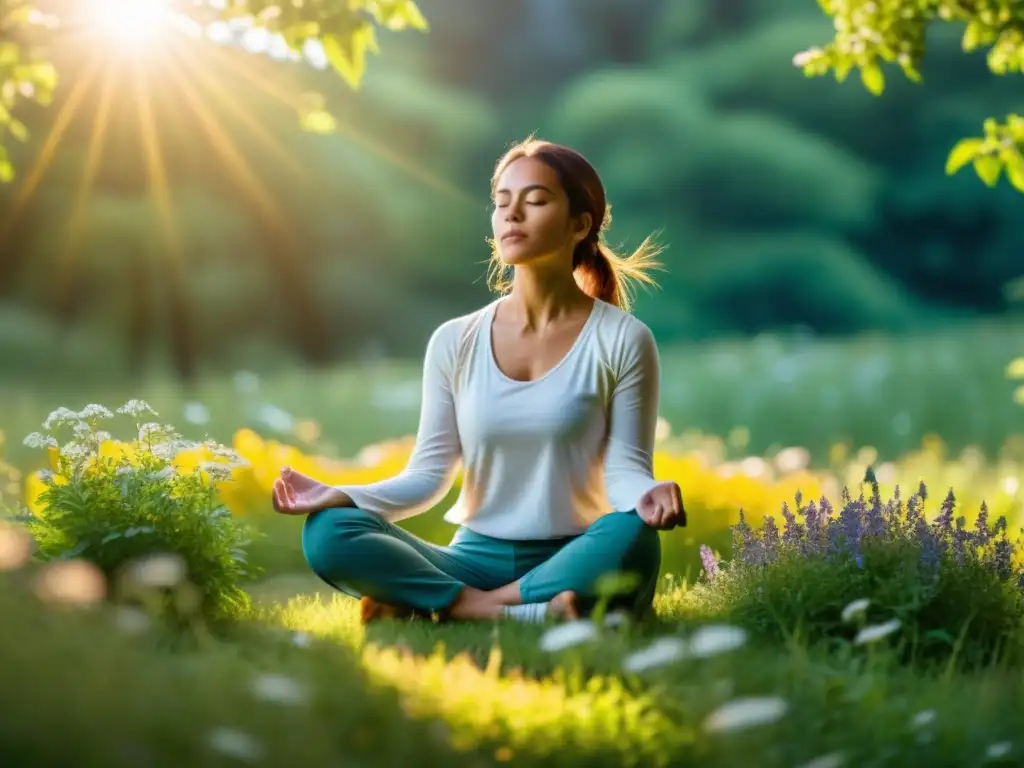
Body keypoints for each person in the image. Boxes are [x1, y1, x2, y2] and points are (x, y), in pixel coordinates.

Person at [271, 137, 685, 625]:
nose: (512, 215)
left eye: (534, 201)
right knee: (329, 531)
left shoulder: (623, 339)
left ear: (580, 224)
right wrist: (345, 494)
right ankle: (506, 611)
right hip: (471, 560)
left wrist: (647, 494)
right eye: (502, 202)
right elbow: (425, 478)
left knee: (631, 536)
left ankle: (444, 604)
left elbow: (625, 471)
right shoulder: (455, 340)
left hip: (573, 555)